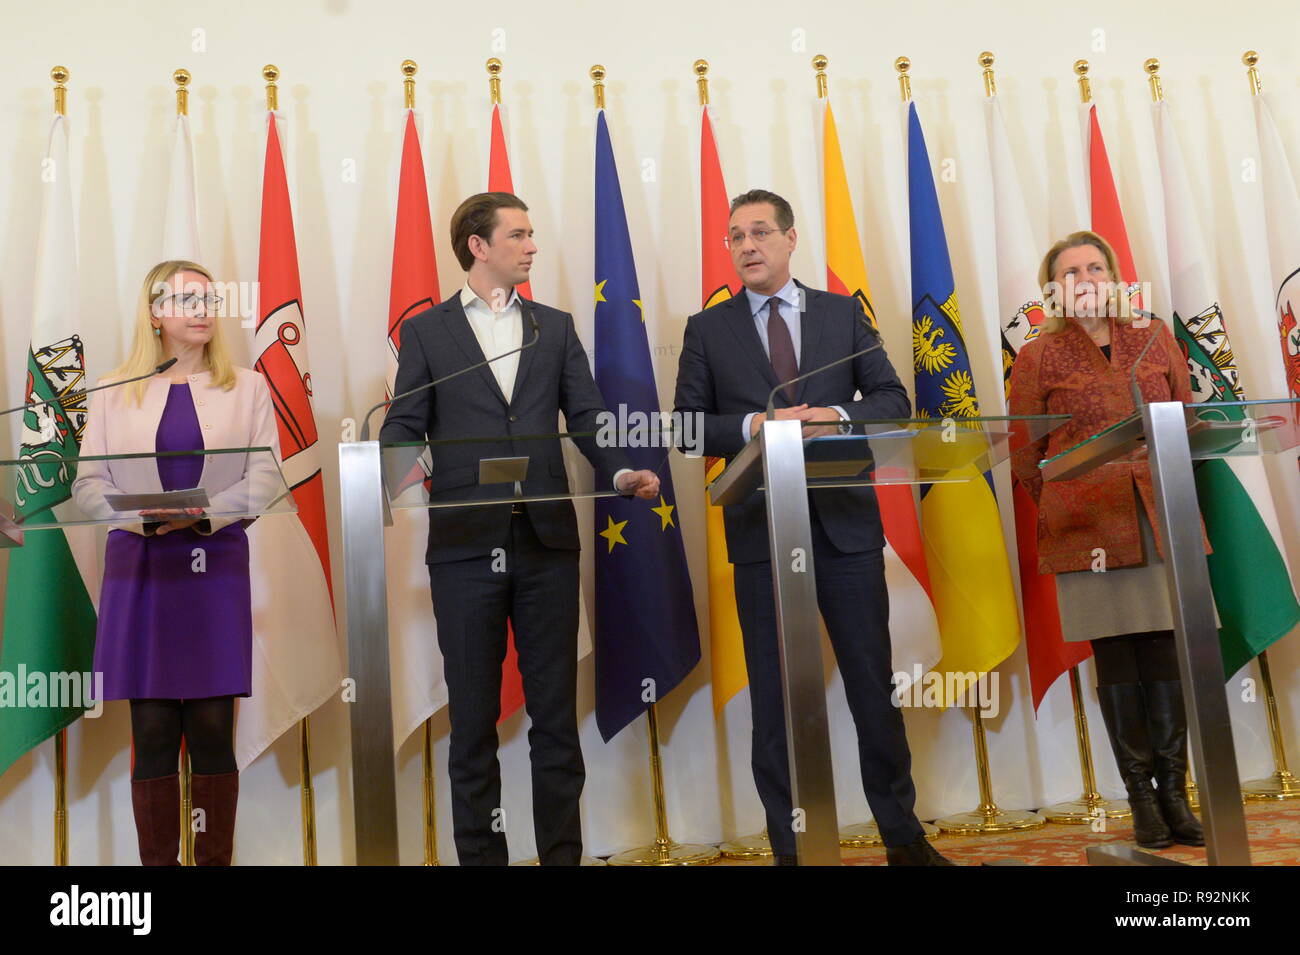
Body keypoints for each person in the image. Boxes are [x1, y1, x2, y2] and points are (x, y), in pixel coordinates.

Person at [380, 192, 659, 865]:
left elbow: (588, 418)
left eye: (532, 234)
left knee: (555, 721)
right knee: (473, 723)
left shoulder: (556, 327)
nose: (533, 245)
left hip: (546, 545)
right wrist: (379, 472)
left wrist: (620, 473)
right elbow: (404, 425)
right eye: (520, 234)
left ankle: (562, 856)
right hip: (464, 546)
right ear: (478, 245)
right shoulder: (427, 333)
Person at [673, 188, 950, 865]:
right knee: (776, 704)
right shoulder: (707, 329)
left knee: (871, 690)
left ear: (792, 239)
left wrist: (831, 413)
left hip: (848, 533)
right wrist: (752, 426)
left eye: (760, 232)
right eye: (735, 236)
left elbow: (892, 400)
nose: (746, 246)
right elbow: (684, 426)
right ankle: (793, 850)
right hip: (762, 536)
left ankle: (905, 841)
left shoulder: (840, 313)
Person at [73, 260, 282, 865]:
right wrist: (132, 515)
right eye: (186, 300)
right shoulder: (113, 390)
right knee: (155, 733)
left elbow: (266, 476)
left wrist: (206, 513)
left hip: (212, 565)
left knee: (215, 731)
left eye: (208, 299)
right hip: (141, 570)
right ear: (155, 314)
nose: (202, 310)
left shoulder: (248, 386)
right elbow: (88, 482)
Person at [1009, 230, 1206, 849]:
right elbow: (1024, 453)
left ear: (1115, 277)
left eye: (1096, 267)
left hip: (1159, 514)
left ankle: (1178, 795)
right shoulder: (1038, 356)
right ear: (1055, 290)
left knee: (1165, 649)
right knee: (1118, 656)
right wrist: (1070, 501)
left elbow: (1188, 419)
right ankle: (1142, 800)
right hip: (1086, 527)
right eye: (1071, 272)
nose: (1086, 279)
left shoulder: (1153, 336)